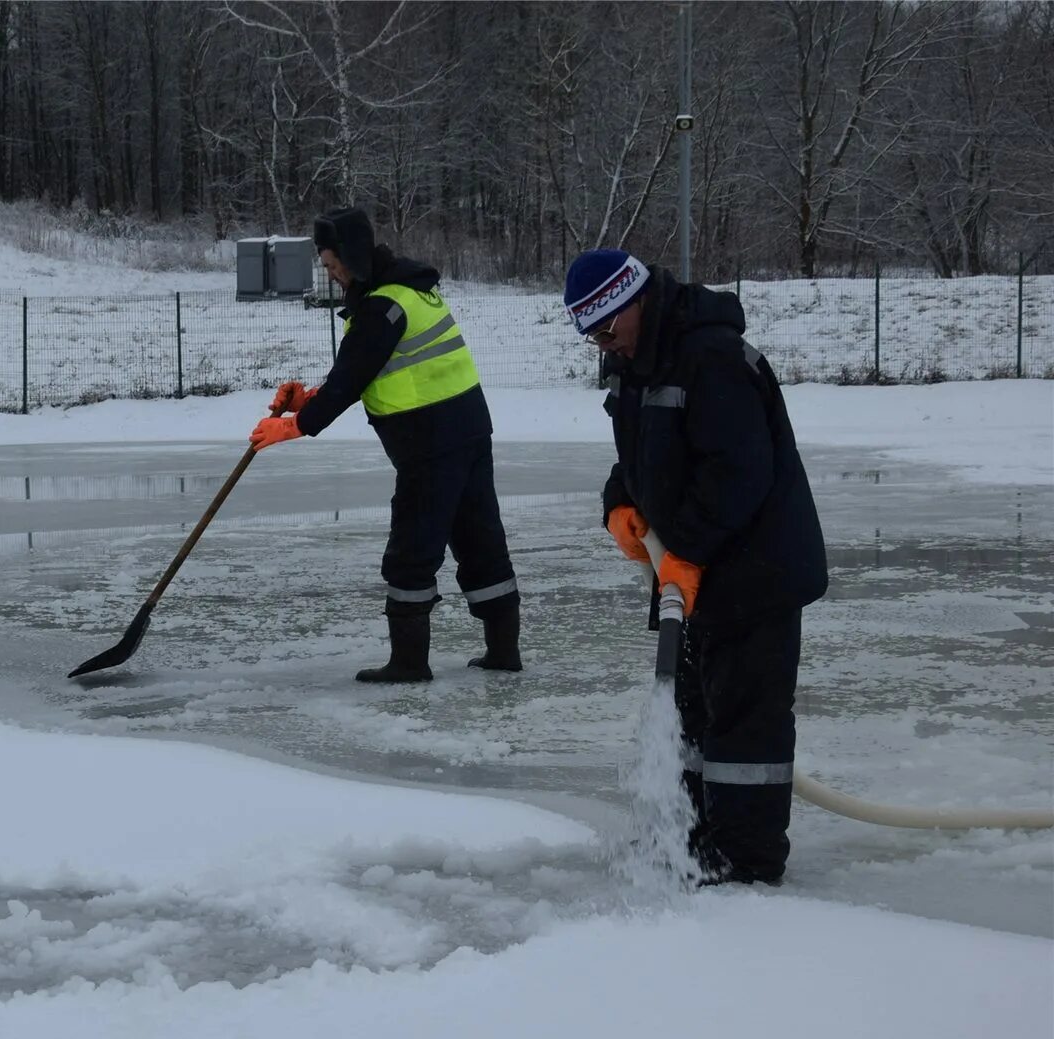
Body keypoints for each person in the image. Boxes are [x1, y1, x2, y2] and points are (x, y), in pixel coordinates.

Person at [564, 247, 828, 886]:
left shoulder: (709, 356)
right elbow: (637, 457)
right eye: (592, 335)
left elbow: (737, 475)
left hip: (753, 572)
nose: (605, 344)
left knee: (743, 722)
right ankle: (688, 835)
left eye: (607, 328)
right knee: (691, 712)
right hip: (693, 573)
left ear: (634, 301)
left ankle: (745, 861)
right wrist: (619, 506)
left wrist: (684, 553)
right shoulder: (634, 363)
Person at [250, 207, 521, 683]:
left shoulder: (381, 307)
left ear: (354, 257)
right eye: (327, 268)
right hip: (468, 432)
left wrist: (294, 426)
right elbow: (375, 372)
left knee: (412, 551)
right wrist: (306, 399)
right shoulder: (408, 291)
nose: (332, 276)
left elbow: (349, 383)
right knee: (480, 541)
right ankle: (503, 652)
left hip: (429, 444)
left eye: (335, 266)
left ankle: (409, 663)